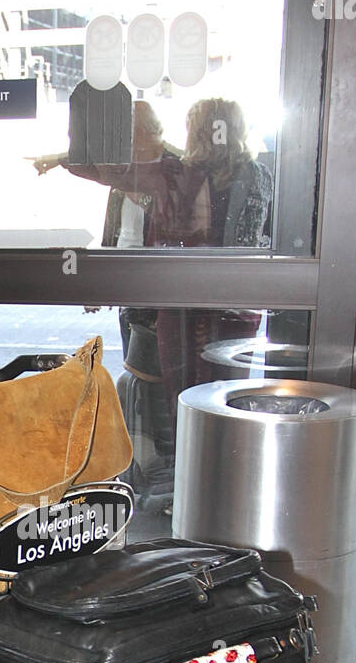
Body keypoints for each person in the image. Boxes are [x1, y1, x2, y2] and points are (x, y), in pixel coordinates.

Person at [63, 96, 272, 433]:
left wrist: (62, 157)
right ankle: (221, 468)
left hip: (180, 305)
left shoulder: (177, 174)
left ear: (196, 133)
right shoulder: (260, 176)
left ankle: (187, 470)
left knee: (184, 404)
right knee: (230, 403)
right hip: (238, 308)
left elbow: (105, 172)